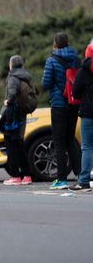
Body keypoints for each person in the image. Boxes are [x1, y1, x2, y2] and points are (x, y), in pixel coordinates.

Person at [41, 32, 81, 190]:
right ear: (68, 43)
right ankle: (80, 175)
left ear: (55, 44)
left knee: (58, 142)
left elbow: (46, 83)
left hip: (58, 104)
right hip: (73, 103)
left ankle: (62, 179)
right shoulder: (76, 59)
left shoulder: (51, 60)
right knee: (70, 139)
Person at [1, 56, 33, 186]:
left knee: (11, 145)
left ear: (11, 65)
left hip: (12, 115)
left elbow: (12, 94)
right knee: (19, 145)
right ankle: (27, 176)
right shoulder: (26, 77)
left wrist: (7, 101)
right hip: (21, 114)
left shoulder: (13, 77)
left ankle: (15, 176)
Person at [69, 43, 93, 192]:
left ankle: (83, 181)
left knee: (87, 147)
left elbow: (75, 92)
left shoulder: (83, 71)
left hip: (88, 114)